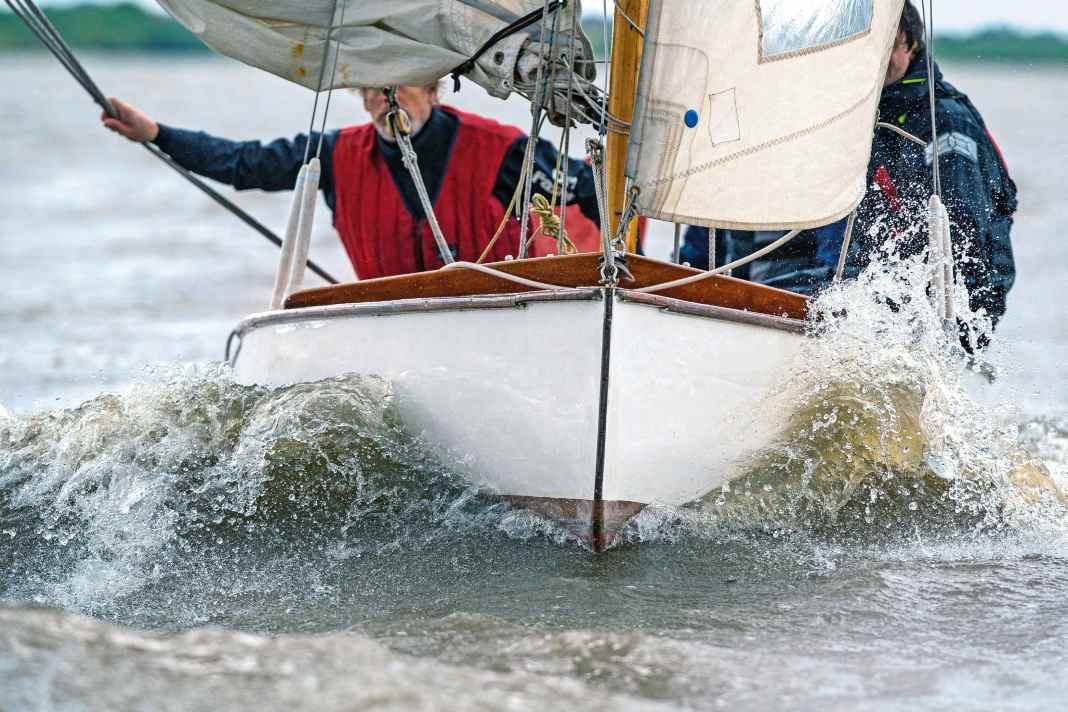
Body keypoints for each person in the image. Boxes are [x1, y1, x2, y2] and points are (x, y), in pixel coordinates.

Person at [680, 1, 1017, 346]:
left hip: (952, 313)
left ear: (910, 44)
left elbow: (963, 238)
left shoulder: (945, 122)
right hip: (858, 295)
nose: (874, 59)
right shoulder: (850, 114)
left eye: (886, 45)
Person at [102, 83, 603, 280]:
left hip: (513, 323)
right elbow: (244, 163)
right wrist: (157, 134)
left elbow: (588, 192)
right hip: (396, 339)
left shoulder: (502, 150)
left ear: (431, 86)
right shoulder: (335, 154)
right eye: (369, 86)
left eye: (398, 81)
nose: (383, 96)